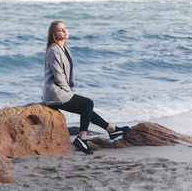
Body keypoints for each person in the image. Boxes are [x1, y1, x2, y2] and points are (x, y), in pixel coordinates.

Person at [42, 20, 129, 155]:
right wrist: (69, 91)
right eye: (60, 30)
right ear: (54, 34)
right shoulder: (53, 50)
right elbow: (59, 75)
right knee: (88, 103)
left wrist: (71, 88)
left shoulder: (64, 49)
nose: (64, 31)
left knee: (85, 108)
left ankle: (112, 129)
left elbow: (68, 74)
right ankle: (82, 138)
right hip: (55, 93)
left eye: (65, 28)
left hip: (61, 91)